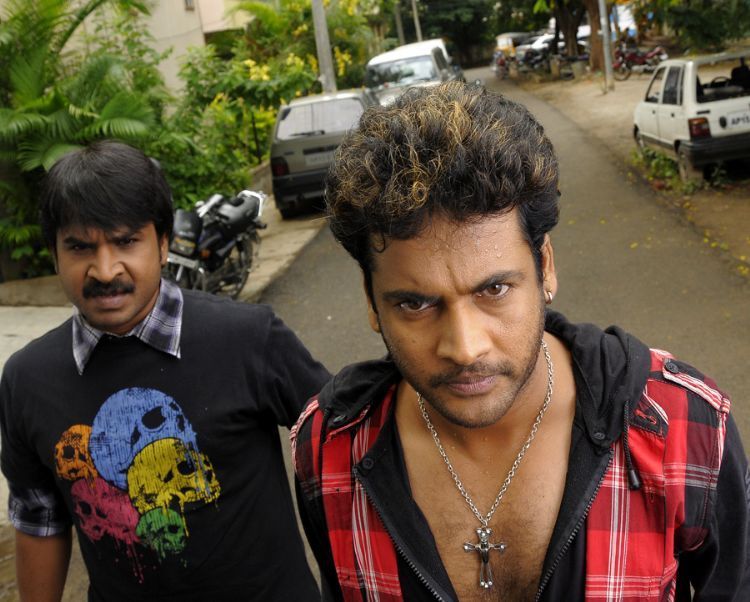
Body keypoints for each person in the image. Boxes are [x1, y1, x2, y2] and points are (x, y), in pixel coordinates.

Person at [291, 82, 749, 600]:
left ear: (545, 267)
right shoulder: (328, 449)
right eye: (415, 304)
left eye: (494, 290)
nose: (465, 348)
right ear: (372, 301)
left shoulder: (683, 428)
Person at [0, 140, 330, 601]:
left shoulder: (249, 338)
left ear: (163, 243)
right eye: (79, 247)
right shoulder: (27, 380)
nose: (105, 270)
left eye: (125, 241)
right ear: (55, 255)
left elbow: (347, 449)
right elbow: (40, 520)